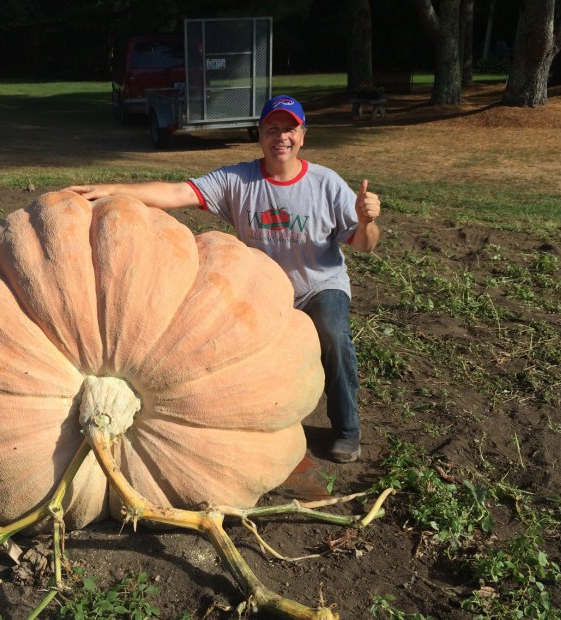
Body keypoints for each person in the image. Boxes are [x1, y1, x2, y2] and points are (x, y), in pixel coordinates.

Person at [65, 94, 381, 463]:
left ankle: (346, 429)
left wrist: (367, 221)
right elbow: (177, 192)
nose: (282, 137)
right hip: (262, 289)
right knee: (229, 350)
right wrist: (114, 191)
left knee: (331, 333)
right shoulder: (238, 180)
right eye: (272, 129)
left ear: (303, 136)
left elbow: (364, 245)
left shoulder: (326, 184)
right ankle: (253, 428)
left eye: (290, 129)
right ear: (260, 135)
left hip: (318, 285)